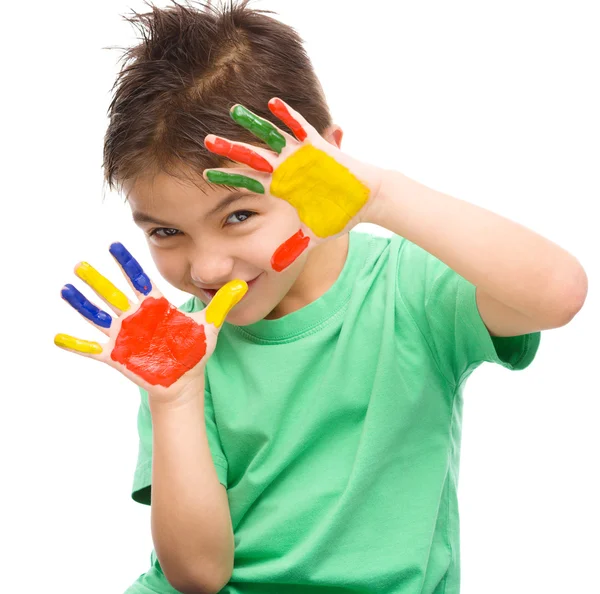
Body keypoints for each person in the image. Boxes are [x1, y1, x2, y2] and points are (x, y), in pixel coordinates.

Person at [54, 1, 588, 593]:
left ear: (325, 162)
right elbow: (198, 576)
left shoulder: (407, 291)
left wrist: (379, 195)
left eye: (238, 215)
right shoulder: (181, 348)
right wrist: (175, 399)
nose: (206, 267)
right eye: (165, 232)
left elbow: (558, 294)